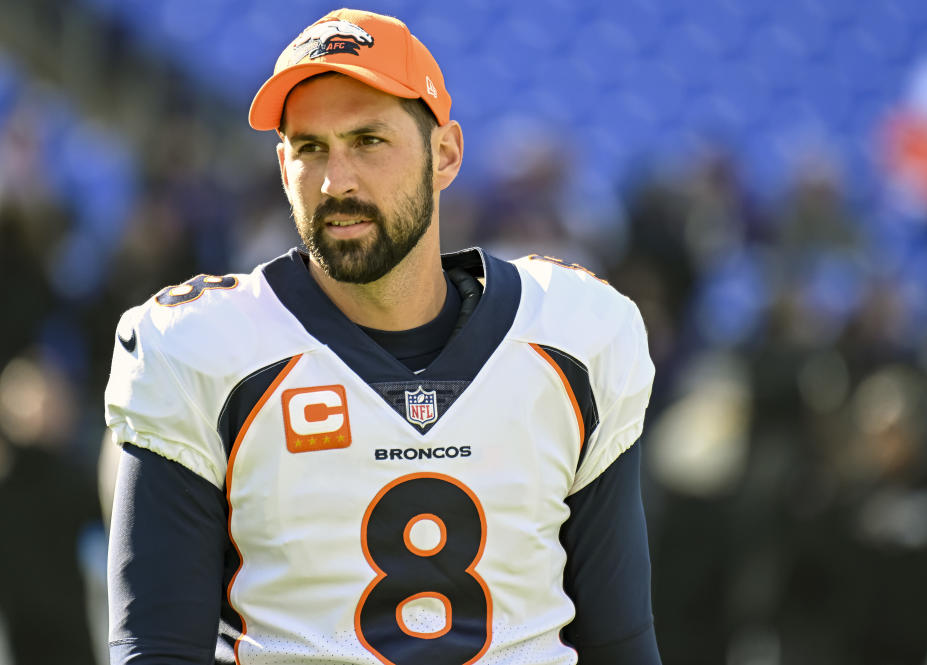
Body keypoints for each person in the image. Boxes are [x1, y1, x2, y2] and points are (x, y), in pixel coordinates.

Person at [104, 8, 661, 665]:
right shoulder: (203, 347)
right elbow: (157, 648)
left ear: (445, 154)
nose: (337, 180)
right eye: (311, 148)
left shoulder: (573, 337)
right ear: (284, 168)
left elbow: (618, 641)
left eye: (369, 140)